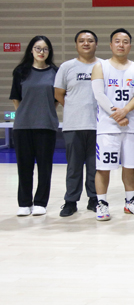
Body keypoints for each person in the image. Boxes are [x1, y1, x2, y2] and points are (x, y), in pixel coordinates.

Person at [92, 29, 134, 221]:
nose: (121, 44)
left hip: (130, 125)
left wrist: (125, 111)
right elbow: (99, 94)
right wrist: (116, 115)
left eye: (125, 41)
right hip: (107, 127)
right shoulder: (100, 66)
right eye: (117, 41)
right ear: (111, 45)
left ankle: (130, 200)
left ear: (130, 45)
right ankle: (101, 203)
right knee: (103, 167)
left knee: (130, 166)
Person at [11, 36, 58, 216]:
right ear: (31, 50)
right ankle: (24, 203)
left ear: (49, 51)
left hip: (46, 125)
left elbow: (56, 99)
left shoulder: (55, 72)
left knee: (44, 167)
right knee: (24, 167)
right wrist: (26, 114)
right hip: (23, 126)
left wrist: (44, 112)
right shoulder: (20, 71)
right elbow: (16, 98)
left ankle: (40, 202)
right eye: (38, 48)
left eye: (45, 49)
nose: (41, 52)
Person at [55, 30, 100, 217]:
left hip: (98, 126)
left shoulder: (103, 66)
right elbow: (59, 94)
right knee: (74, 167)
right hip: (73, 125)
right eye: (82, 41)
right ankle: (70, 201)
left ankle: (94, 199)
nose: (86, 43)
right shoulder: (67, 67)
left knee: (95, 167)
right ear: (76, 45)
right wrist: (75, 108)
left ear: (96, 44)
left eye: (90, 40)